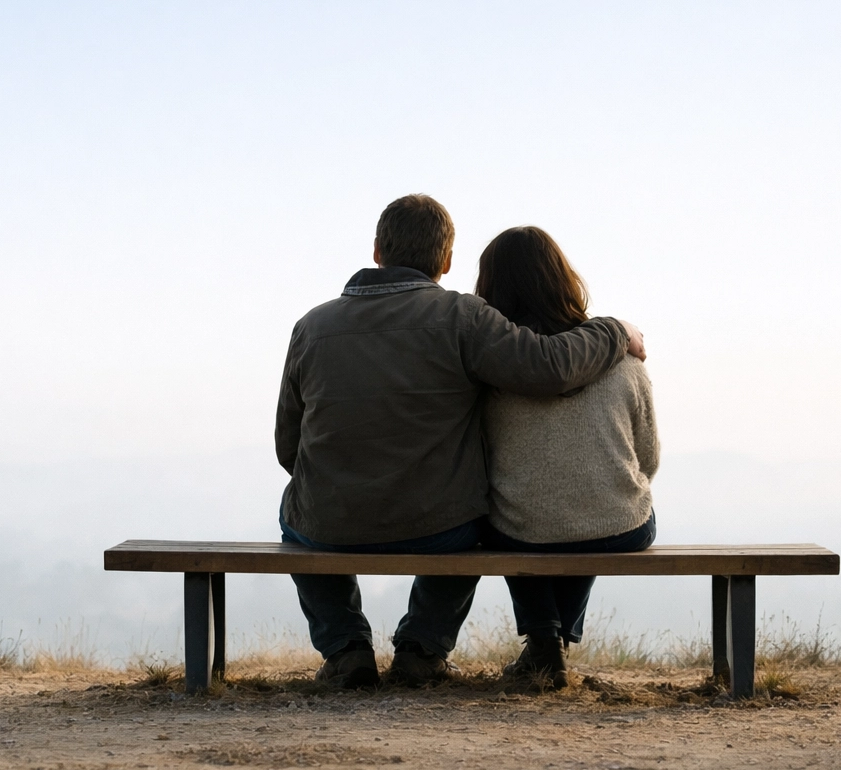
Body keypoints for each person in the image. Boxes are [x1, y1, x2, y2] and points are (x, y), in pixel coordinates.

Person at [275, 195, 645, 688]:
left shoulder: (311, 326)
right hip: (439, 527)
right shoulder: (462, 317)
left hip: (329, 521)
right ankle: (423, 648)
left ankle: (345, 648)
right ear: (446, 261)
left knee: (296, 518)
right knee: (477, 522)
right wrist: (614, 329)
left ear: (378, 250)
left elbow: (287, 444)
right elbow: (550, 368)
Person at [476, 226, 660, 691]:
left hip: (521, 531)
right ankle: (554, 643)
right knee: (591, 513)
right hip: (621, 528)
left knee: (517, 522)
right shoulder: (625, 361)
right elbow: (648, 457)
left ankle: (544, 642)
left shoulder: (488, 370)